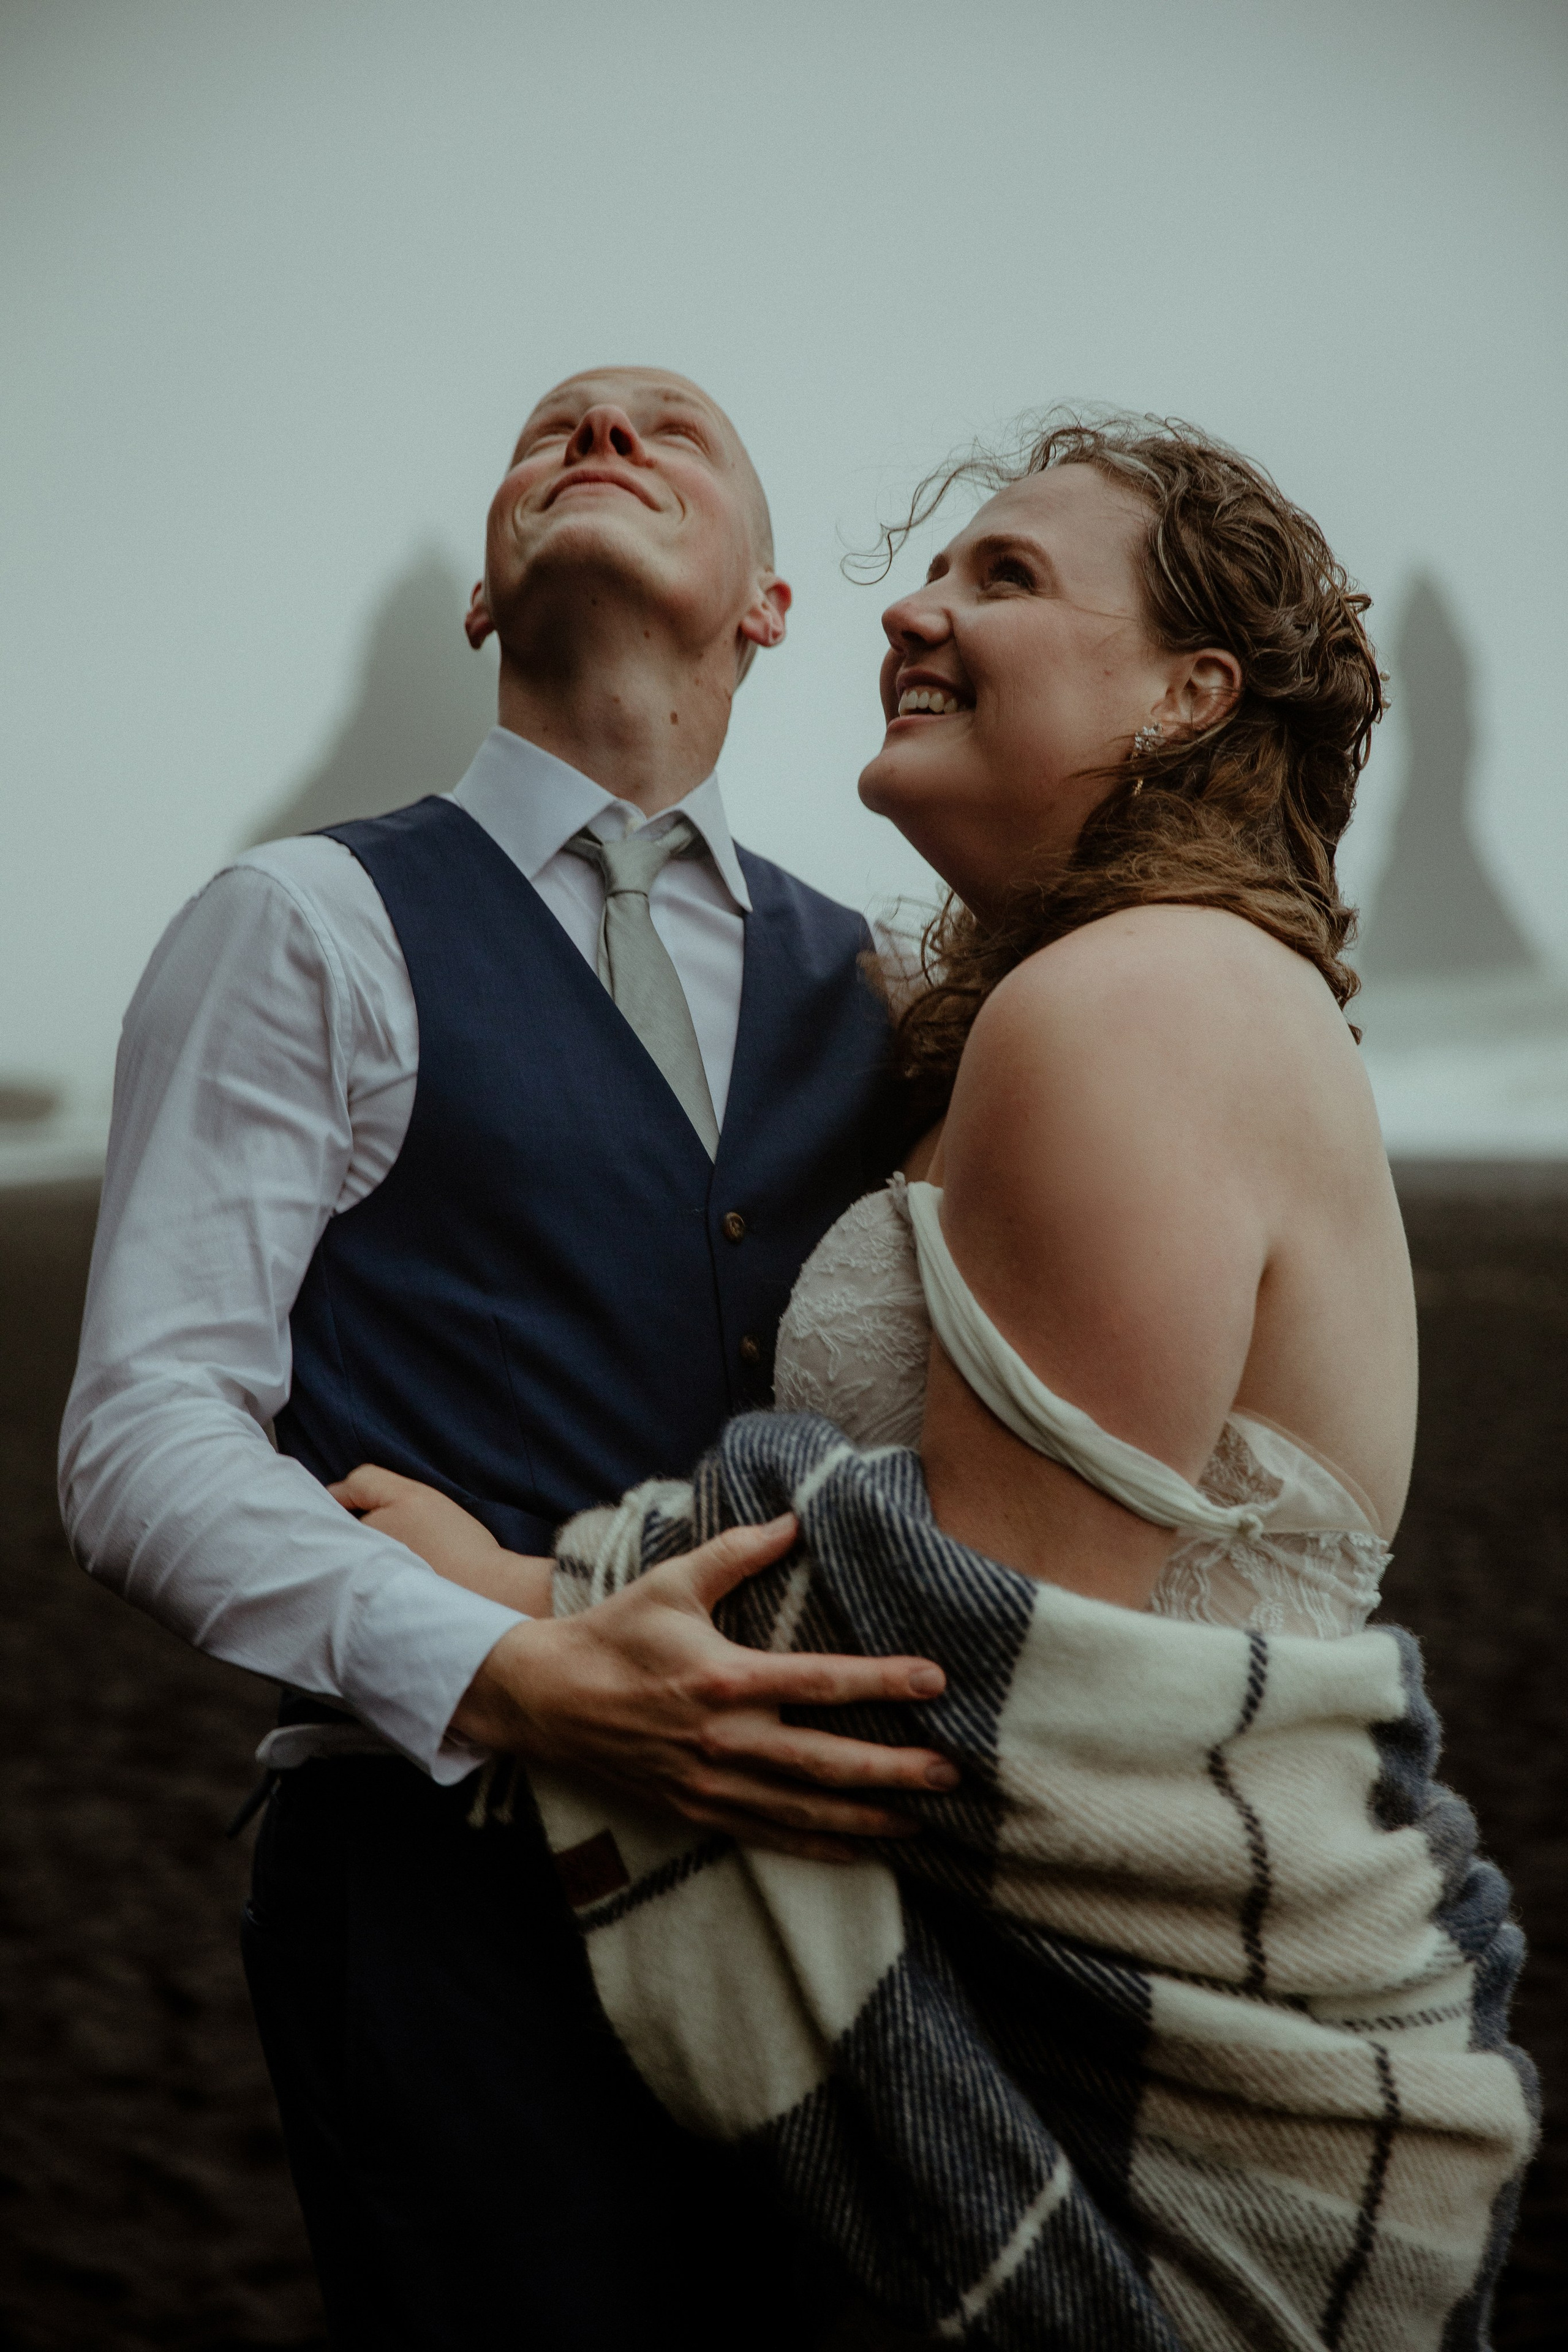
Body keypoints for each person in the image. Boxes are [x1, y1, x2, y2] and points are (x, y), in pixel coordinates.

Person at [339, 415, 1534, 2345]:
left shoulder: (1131, 998)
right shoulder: (1112, 995)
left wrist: (507, 1598)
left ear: (1188, 694)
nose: (912, 609)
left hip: (1154, 2075)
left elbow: (976, 1653)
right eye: (930, 570)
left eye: (1007, 575)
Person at [58, 366, 962, 2352]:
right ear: (484, 597)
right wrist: (503, 1665)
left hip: (821, 1894)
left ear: (771, 608)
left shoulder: (877, 983)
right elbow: (141, 1431)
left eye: (673, 430)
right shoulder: (305, 922)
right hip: (440, 1888)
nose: (604, 437)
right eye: (554, 430)